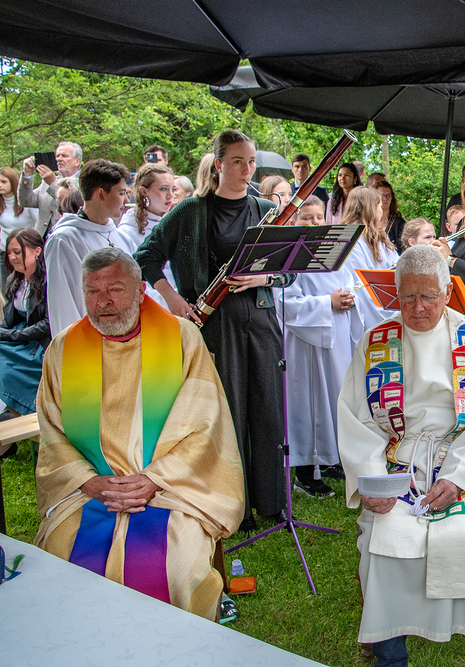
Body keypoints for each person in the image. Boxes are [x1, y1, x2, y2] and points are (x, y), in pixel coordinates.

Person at [33, 248, 244, 620]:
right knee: (60, 559)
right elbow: (52, 433)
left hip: (171, 488)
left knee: (176, 570)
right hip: (89, 490)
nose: (103, 302)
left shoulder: (181, 337)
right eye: (93, 292)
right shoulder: (63, 348)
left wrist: (153, 479)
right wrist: (89, 482)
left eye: (115, 289)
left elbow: (205, 425)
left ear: (141, 289)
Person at [338, 244, 465, 666]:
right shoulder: (377, 342)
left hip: (459, 464)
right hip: (397, 466)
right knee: (383, 545)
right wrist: (373, 481)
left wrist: (458, 478)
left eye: (428, 296)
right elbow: (357, 420)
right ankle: (390, 656)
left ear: (447, 292)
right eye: (407, 296)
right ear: (396, 292)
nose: (417, 307)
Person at [134, 130, 289, 531]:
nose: (247, 170)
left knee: (268, 410)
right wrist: (171, 297)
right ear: (218, 164)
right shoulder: (191, 210)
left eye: (251, 162)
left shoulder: (264, 209)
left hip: (261, 319)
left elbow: (289, 270)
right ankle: (237, 504)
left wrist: (263, 279)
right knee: (228, 411)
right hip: (215, 323)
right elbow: (146, 255)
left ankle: (272, 501)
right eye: (237, 161)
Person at [277, 229, 361, 497]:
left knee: (336, 400)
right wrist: (327, 303)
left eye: (318, 218)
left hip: (337, 341)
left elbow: (353, 285)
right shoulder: (291, 259)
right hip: (306, 344)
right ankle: (305, 472)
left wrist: (350, 299)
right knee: (309, 406)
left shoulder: (336, 255)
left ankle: (327, 460)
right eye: (307, 218)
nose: (314, 224)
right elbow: (286, 303)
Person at [45, 159, 129, 336]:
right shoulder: (65, 239)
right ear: (101, 194)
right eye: (121, 193)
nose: (126, 200)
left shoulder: (119, 236)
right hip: (88, 339)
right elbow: (63, 302)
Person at [0, 229, 49, 421]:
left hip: (39, 344)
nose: (12, 258)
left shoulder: (48, 281)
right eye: (9, 253)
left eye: (17, 252)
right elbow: (9, 320)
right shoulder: (15, 279)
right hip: (20, 338)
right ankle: (8, 410)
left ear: (37, 251)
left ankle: (16, 411)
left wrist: (9, 336)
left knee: (4, 364)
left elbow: (47, 325)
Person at [117, 163, 177, 310]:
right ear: (144, 191)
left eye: (173, 189)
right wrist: (171, 300)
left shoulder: (175, 223)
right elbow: (133, 282)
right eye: (163, 189)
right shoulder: (126, 232)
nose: (170, 195)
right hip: (152, 309)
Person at [343, 187, 400, 329]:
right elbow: (360, 286)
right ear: (371, 209)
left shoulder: (379, 238)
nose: (382, 211)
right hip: (369, 312)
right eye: (380, 206)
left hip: (388, 304)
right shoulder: (352, 242)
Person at [19, 141, 83, 235]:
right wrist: (27, 175)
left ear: (77, 161)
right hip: (41, 240)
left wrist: (53, 183)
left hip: (67, 237)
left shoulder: (84, 182)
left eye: (64, 156)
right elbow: (25, 201)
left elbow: (73, 206)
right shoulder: (47, 181)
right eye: (57, 156)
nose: (59, 159)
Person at [0, 166, 37, 249]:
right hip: (4, 250)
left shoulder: (27, 201)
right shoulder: (1, 203)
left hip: (25, 249)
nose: (0, 185)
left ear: (12, 182)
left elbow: (39, 224)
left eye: (3, 182)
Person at [375, 180, 407, 252]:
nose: (385, 199)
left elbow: (402, 248)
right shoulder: (368, 220)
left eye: (388, 196)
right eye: (382, 195)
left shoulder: (398, 222)